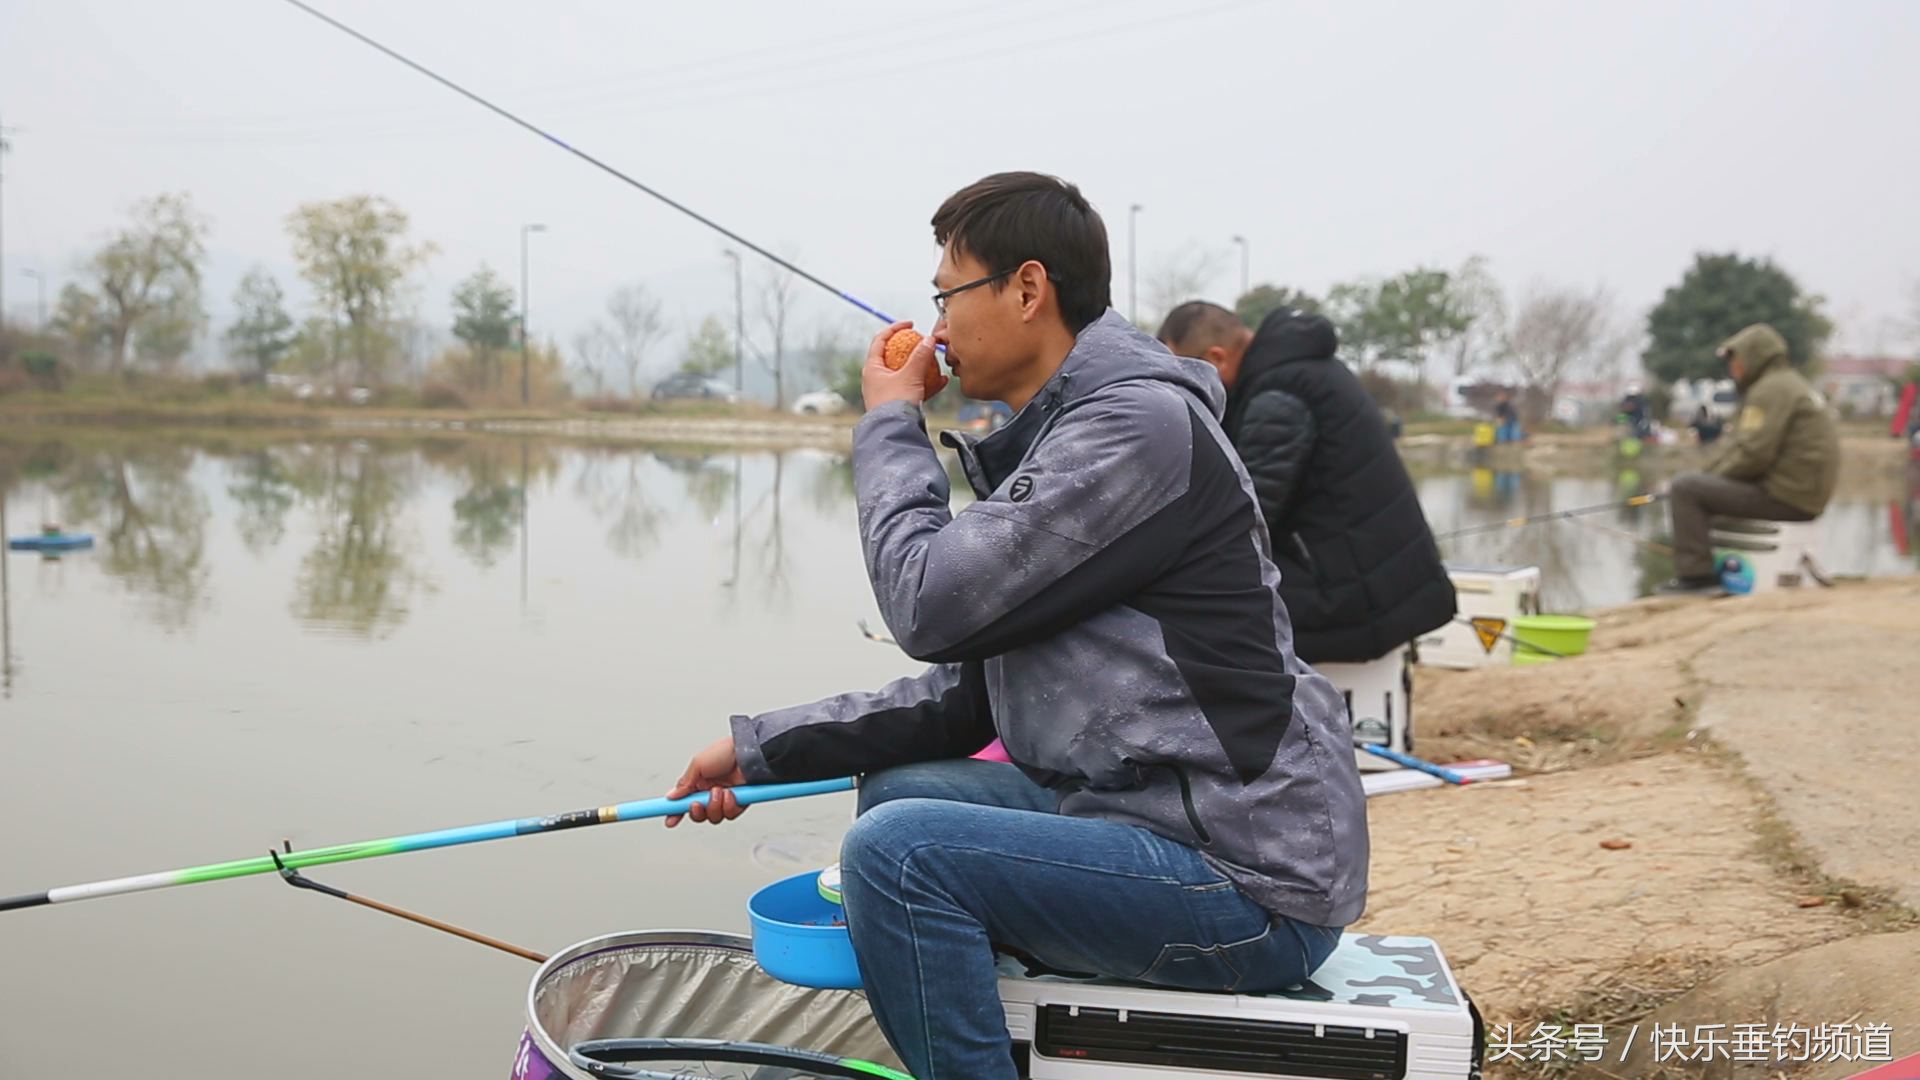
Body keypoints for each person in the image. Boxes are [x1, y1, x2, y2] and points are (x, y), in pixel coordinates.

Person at [663, 173, 1366, 1080]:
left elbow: (926, 604)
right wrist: (759, 748)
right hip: (1148, 816)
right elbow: (971, 699)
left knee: (900, 856)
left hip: (1248, 878)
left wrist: (889, 421)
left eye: (947, 295)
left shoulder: (1133, 429)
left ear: (1028, 290)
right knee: (900, 794)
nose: (939, 325)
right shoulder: (1075, 433)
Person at [1155, 302, 1455, 664]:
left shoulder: (1278, 396)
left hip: (1357, 598)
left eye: (1184, 373)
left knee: (1189, 603)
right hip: (1385, 582)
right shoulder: (1300, 371)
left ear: (1216, 359)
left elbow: (1244, 518)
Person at [1658, 323, 1839, 595]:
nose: (1733, 370)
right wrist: (1709, 476)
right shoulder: (1790, 384)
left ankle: (1697, 578)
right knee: (1695, 485)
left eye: (1735, 361)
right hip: (1803, 495)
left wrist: (1704, 482)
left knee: (1685, 488)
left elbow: (1753, 454)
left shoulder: (1769, 390)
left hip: (1787, 497)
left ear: (1754, 357)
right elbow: (1743, 447)